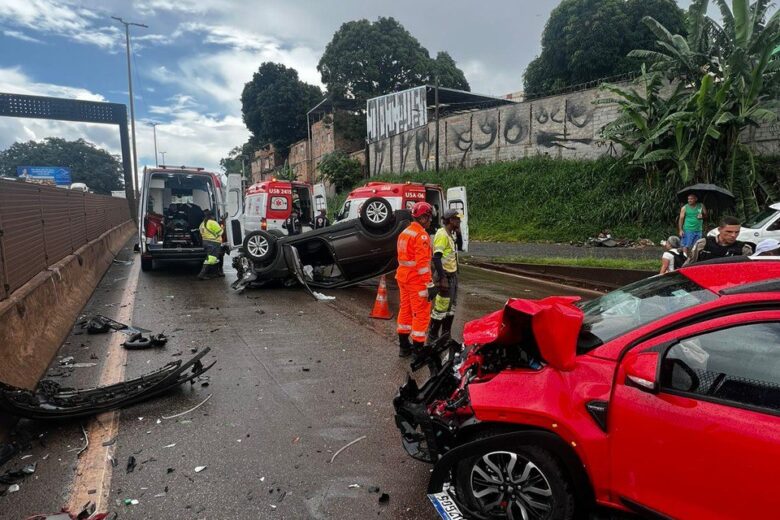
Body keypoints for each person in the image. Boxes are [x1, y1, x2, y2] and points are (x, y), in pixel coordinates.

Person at [396, 201, 434, 358]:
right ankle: (418, 350)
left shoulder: (404, 232)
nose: (431, 221)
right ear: (423, 218)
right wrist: (429, 283)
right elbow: (422, 264)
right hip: (416, 280)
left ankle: (404, 347)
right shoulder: (421, 235)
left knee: (405, 310)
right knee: (421, 313)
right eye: (429, 217)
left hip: (403, 277)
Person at [428, 209, 462, 341]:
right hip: (445, 276)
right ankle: (433, 335)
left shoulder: (451, 234)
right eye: (457, 219)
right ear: (451, 220)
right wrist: (442, 279)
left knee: (451, 306)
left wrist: (458, 234)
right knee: (441, 308)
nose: (459, 221)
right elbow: (436, 258)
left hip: (452, 276)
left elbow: (460, 247)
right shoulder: (442, 234)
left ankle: (445, 334)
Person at [685, 216, 753, 264]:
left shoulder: (744, 249)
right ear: (719, 230)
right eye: (729, 232)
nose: (733, 235)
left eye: (737, 232)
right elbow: (689, 264)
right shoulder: (703, 244)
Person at [198, 209, 224, 280]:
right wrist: (222, 227)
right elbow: (220, 233)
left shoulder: (202, 223)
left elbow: (200, 232)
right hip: (213, 242)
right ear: (212, 216)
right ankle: (202, 274)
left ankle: (216, 273)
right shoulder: (213, 222)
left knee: (214, 258)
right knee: (211, 259)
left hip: (205, 242)